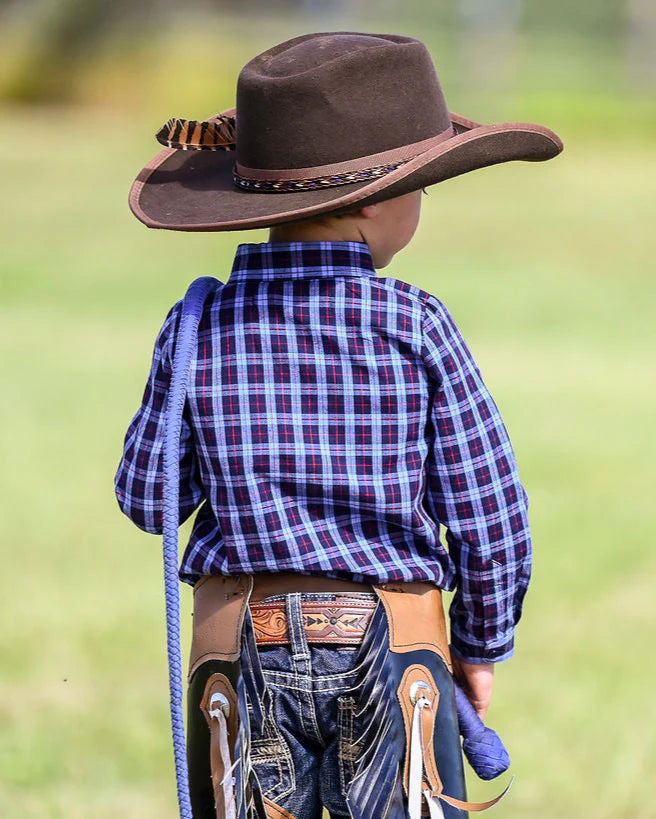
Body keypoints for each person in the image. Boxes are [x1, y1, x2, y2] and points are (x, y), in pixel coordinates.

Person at [114, 31, 562, 819]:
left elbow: (149, 501)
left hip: (239, 647)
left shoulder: (198, 325)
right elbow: (492, 516)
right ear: (373, 198)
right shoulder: (418, 326)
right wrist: (483, 644)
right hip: (396, 650)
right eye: (421, 186)